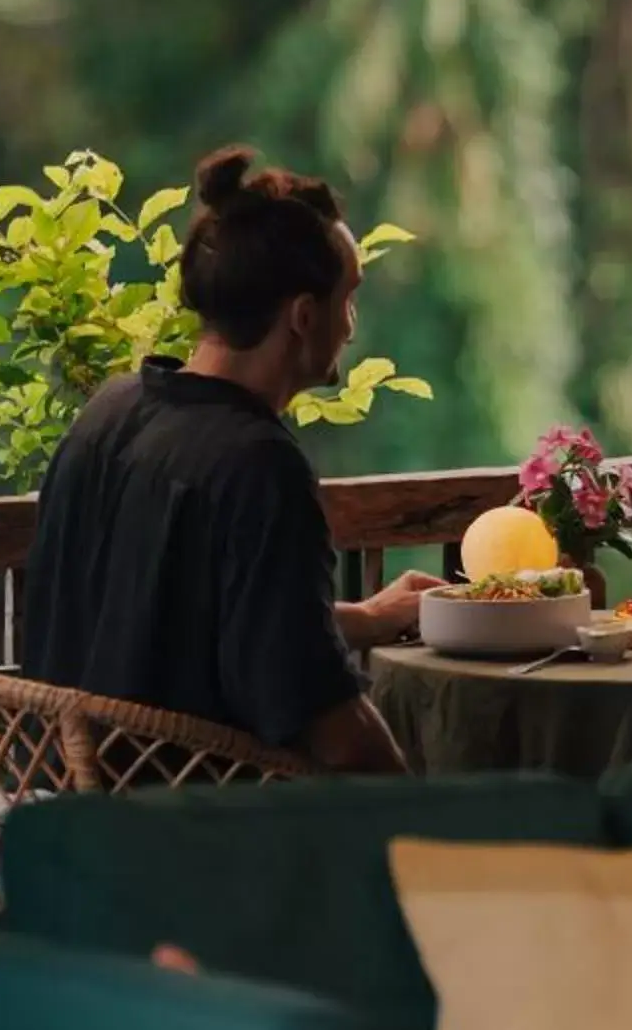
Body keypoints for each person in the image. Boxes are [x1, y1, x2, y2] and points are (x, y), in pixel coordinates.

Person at [23, 147, 439, 772]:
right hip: (189, 837)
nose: (351, 327)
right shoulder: (258, 467)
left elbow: (188, 624)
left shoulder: (108, 413)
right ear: (303, 316)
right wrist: (428, 815)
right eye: (347, 299)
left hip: (68, 811)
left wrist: (368, 619)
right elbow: (326, 721)